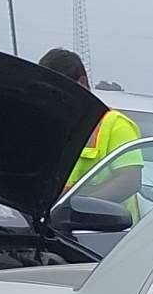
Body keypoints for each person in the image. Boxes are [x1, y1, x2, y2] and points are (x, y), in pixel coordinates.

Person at [39, 48, 142, 209]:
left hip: (104, 230)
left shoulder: (116, 124)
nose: (53, 97)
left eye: (59, 90)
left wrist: (71, 208)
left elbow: (129, 181)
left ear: (81, 83)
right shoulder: (47, 125)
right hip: (47, 225)